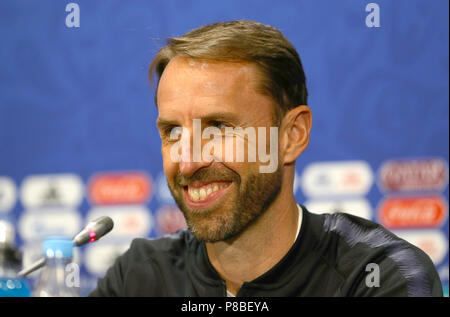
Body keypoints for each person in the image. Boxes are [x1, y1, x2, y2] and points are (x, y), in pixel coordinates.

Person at [89, 20, 442, 297]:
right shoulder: (140, 276)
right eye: (173, 133)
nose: (187, 162)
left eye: (218, 128)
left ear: (292, 135)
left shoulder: (377, 276)